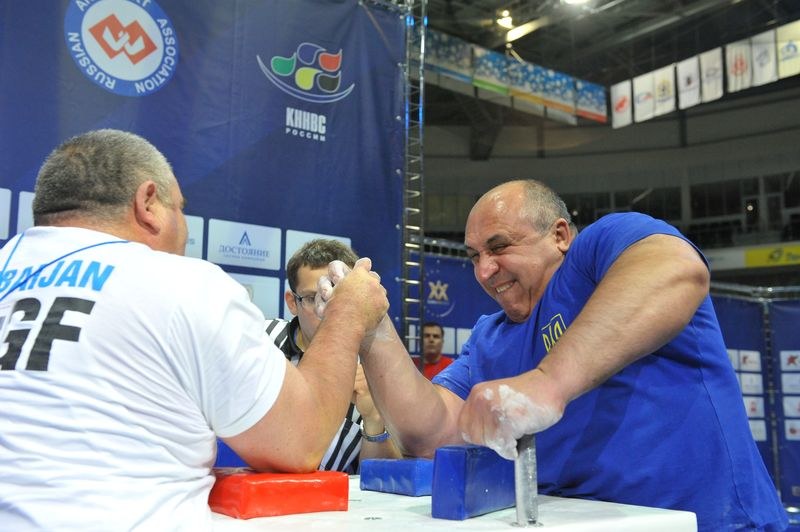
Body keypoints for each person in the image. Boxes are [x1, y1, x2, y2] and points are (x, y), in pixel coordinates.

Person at [0, 129, 388, 531]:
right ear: (148, 203)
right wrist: (347, 310)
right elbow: (300, 444)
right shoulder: (180, 283)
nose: (185, 230)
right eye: (180, 209)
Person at [350, 179, 788, 531]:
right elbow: (427, 435)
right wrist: (372, 326)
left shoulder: (601, 248)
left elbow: (677, 270)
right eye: (474, 256)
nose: (484, 270)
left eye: (500, 247)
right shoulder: (488, 338)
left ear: (559, 235)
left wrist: (547, 382)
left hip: (712, 522)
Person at [264, 238, 401, 472]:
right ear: (292, 302)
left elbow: (382, 478)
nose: (324, 309)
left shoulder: (378, 371)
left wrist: (374, 419)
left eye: (336, 297)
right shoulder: (261, 341)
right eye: (311, 298)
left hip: (330, 505)